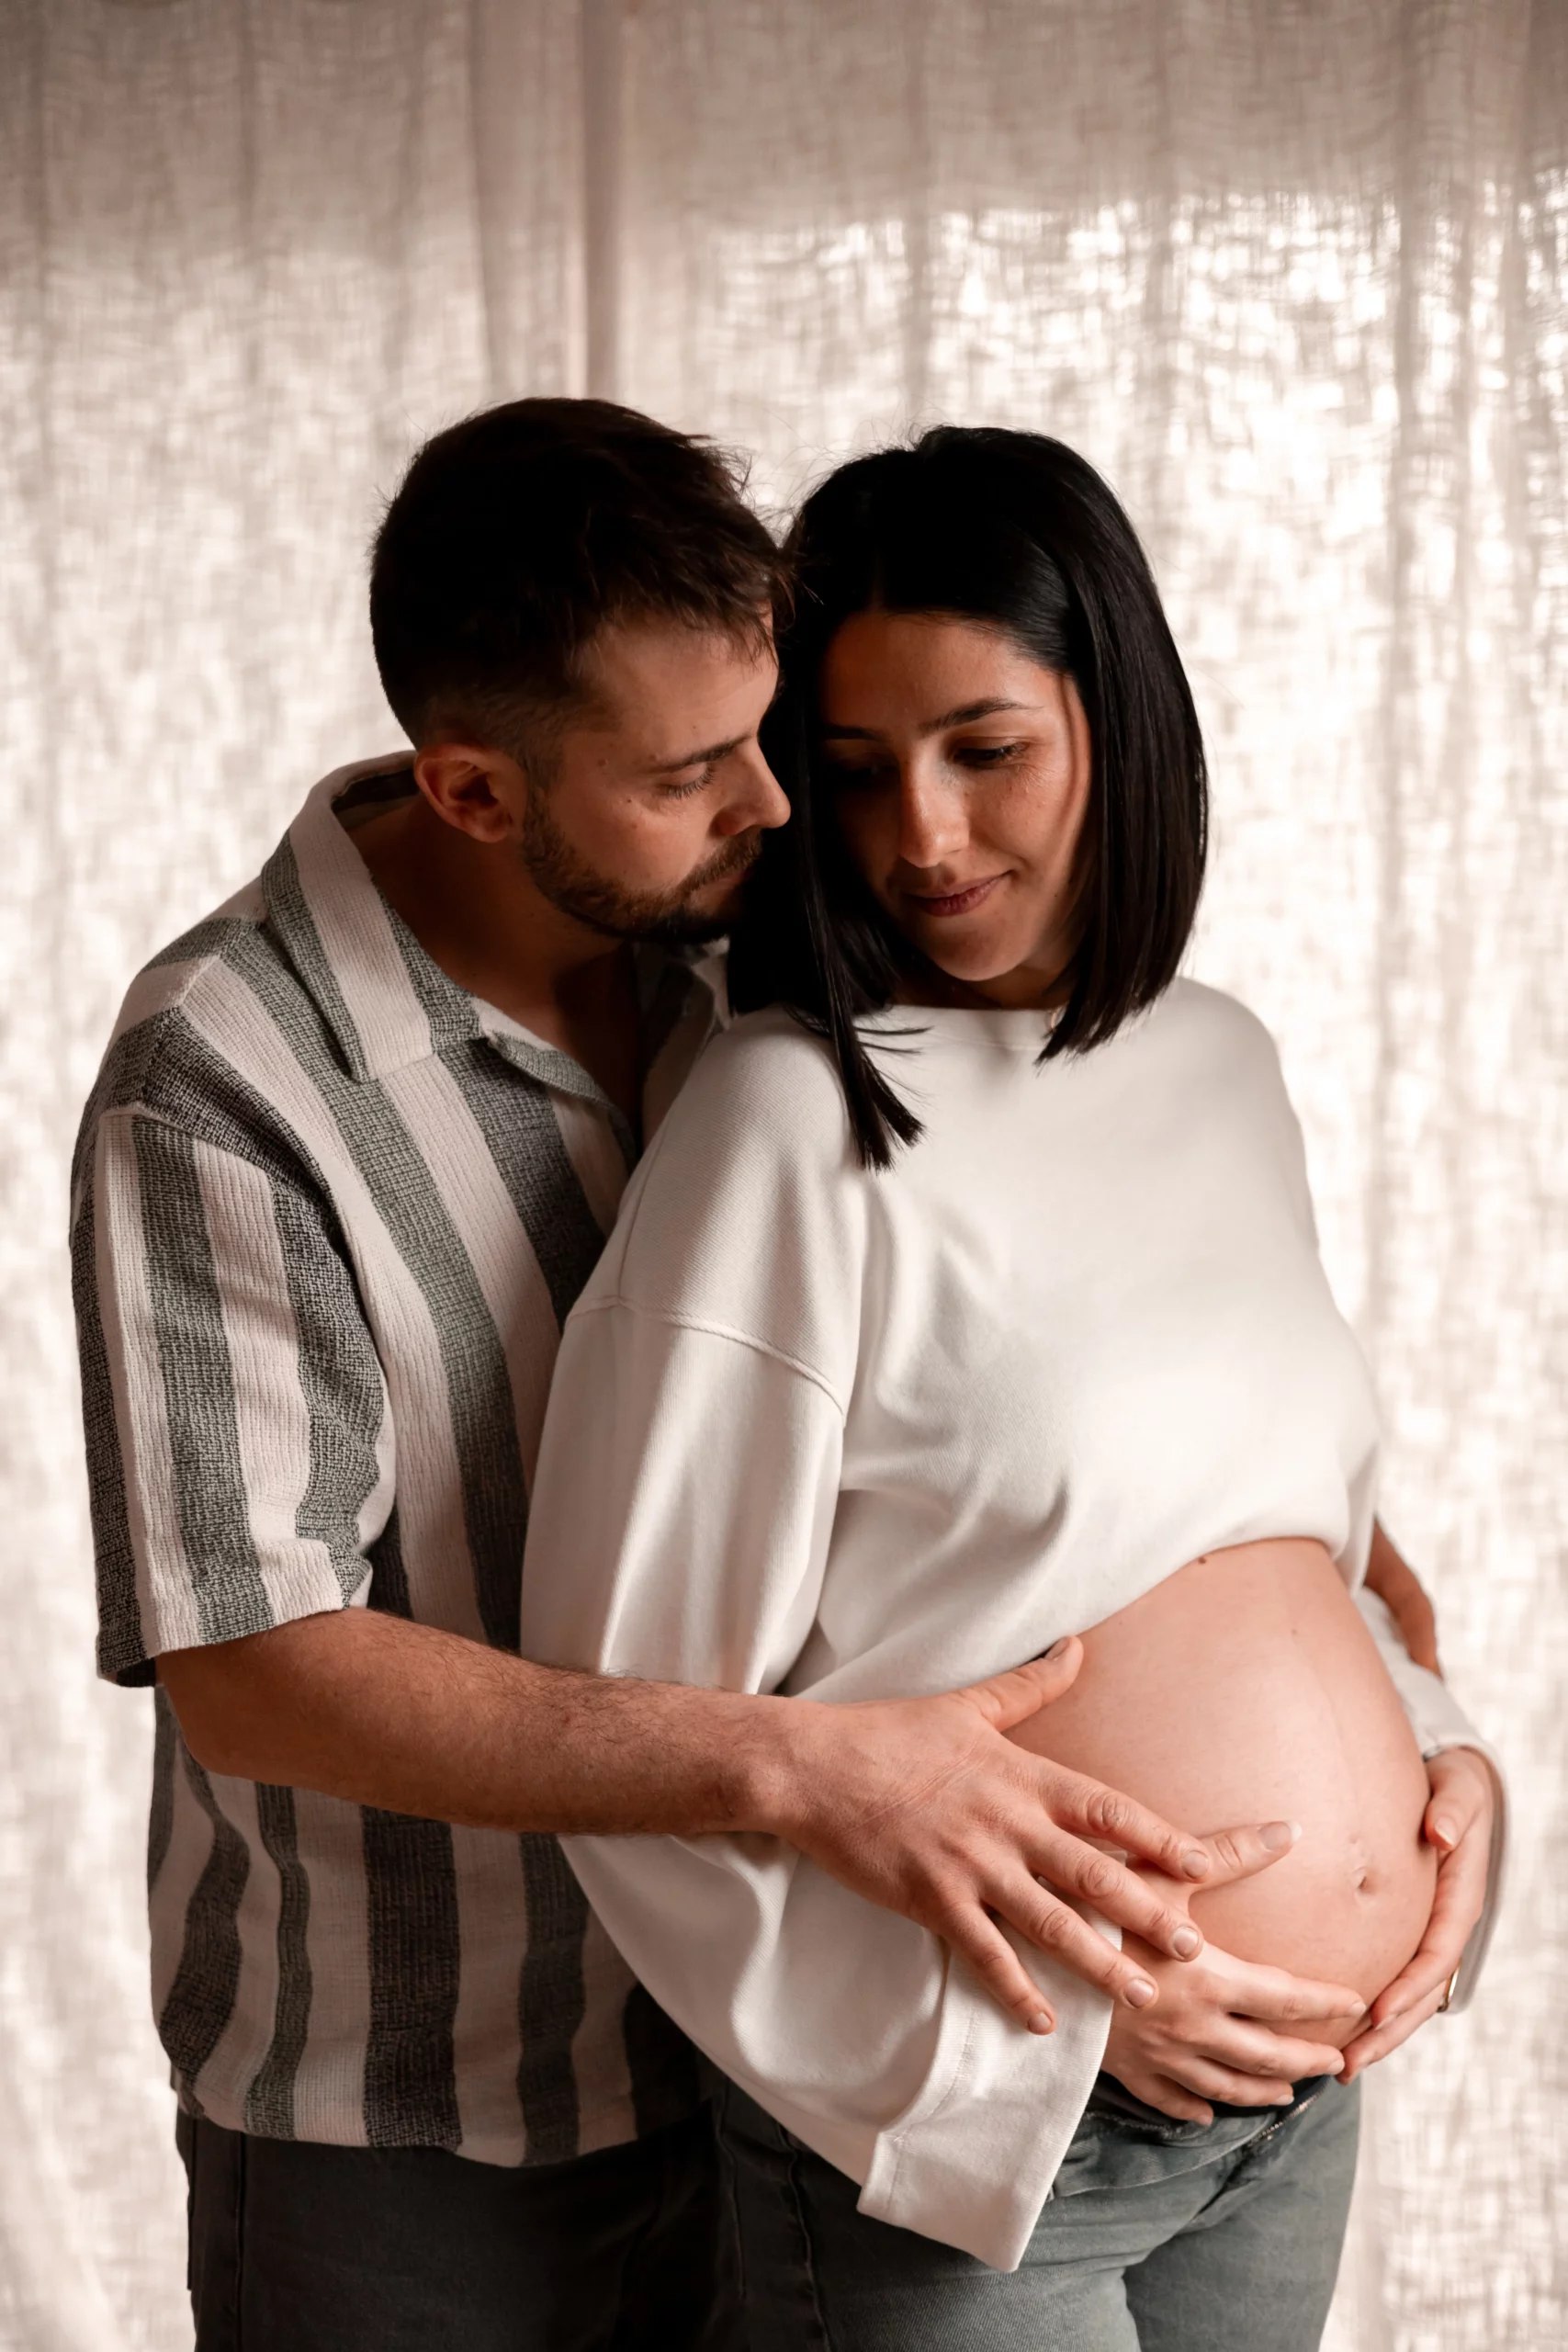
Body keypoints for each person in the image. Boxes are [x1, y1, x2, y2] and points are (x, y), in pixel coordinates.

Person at [68, 401, 1317, 2352]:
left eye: (767, 735)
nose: (782, 803)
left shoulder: (742, 951)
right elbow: (253, 1664)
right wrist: (804, 1767)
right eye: (695, 769)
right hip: (427, 2102)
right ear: (477, 793)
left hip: (777, 2062)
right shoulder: (227, 1081)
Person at [517, 427, 1506, 2347]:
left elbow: (1300, 1542)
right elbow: (635, 1728)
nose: (925, 839)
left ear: (1113, 720)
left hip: (1294, 2106)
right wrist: (1014, 2049)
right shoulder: (788, 1121)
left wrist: (1434, 1766)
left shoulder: (1219, 1062)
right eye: (859, 769)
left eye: (987, 748)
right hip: (1001, 2139)